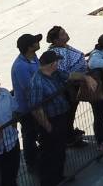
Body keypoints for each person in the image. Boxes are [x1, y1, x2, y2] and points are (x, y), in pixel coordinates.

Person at [28, 50, 95, 186]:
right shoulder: (37, 82)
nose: (59, 63)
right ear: (52, 64)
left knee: (60, 150)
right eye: (57, 62)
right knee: (49, 153)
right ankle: (47, 181)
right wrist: (48, 127)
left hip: (61, 117)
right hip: (50, 120)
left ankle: (58, 177)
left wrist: (85, 78)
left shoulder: (55, 73)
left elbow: (70, 76)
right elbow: (36, 109)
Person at [10, 34, 41, 166]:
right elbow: (28, 88)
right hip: (27, 108)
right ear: (29, 47)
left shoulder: (34, 58)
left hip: (38, 104)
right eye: (35, 42)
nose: (38, 43)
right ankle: (32, 162)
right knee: (29, 135)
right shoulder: (20, 66)